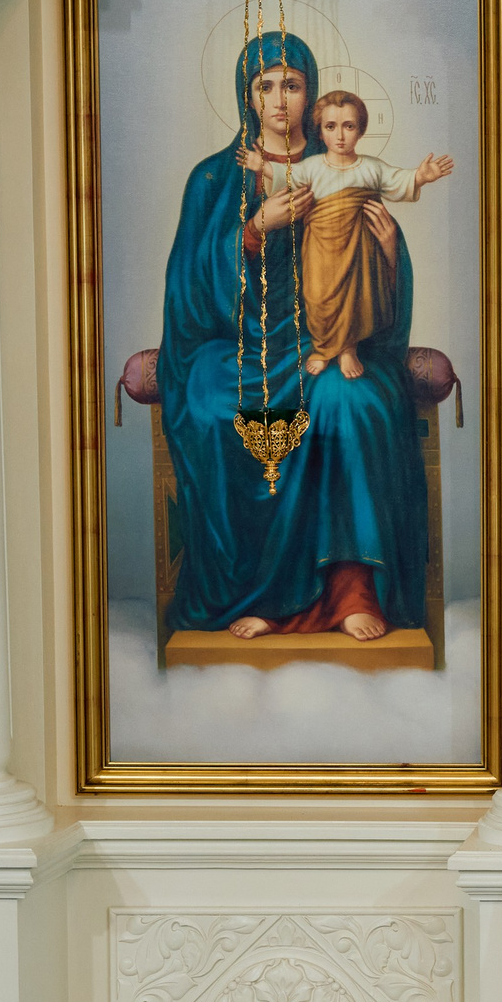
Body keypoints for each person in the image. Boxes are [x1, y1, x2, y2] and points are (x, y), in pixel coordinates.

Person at [159, 32, 430, 646]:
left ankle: (350, 593)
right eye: (266, 86)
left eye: (293, 84)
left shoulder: (343, 170)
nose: (280, 99)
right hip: (241, 345)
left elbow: (381, 286)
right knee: (210, 405)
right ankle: (253, 592)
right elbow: (189, 287)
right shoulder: (213, 178)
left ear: (312, 94)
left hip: (326, 341)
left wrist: (389, 249)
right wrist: (255, 226)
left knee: (349, 401)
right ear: (247, 95)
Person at [245, 90, 453, 381]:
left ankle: (347, 350)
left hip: (358, 250)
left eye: (349, 126)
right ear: (320, 131)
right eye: (331, 127)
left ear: (361, 130)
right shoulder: (313, 167)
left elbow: (397, 181)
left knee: (356, 298)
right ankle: (323, 348)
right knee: (317, 297)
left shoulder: (371, 168)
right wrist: (263, 166)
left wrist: (420, 176)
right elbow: (287, 175)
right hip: (319, 249)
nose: (340, 136)